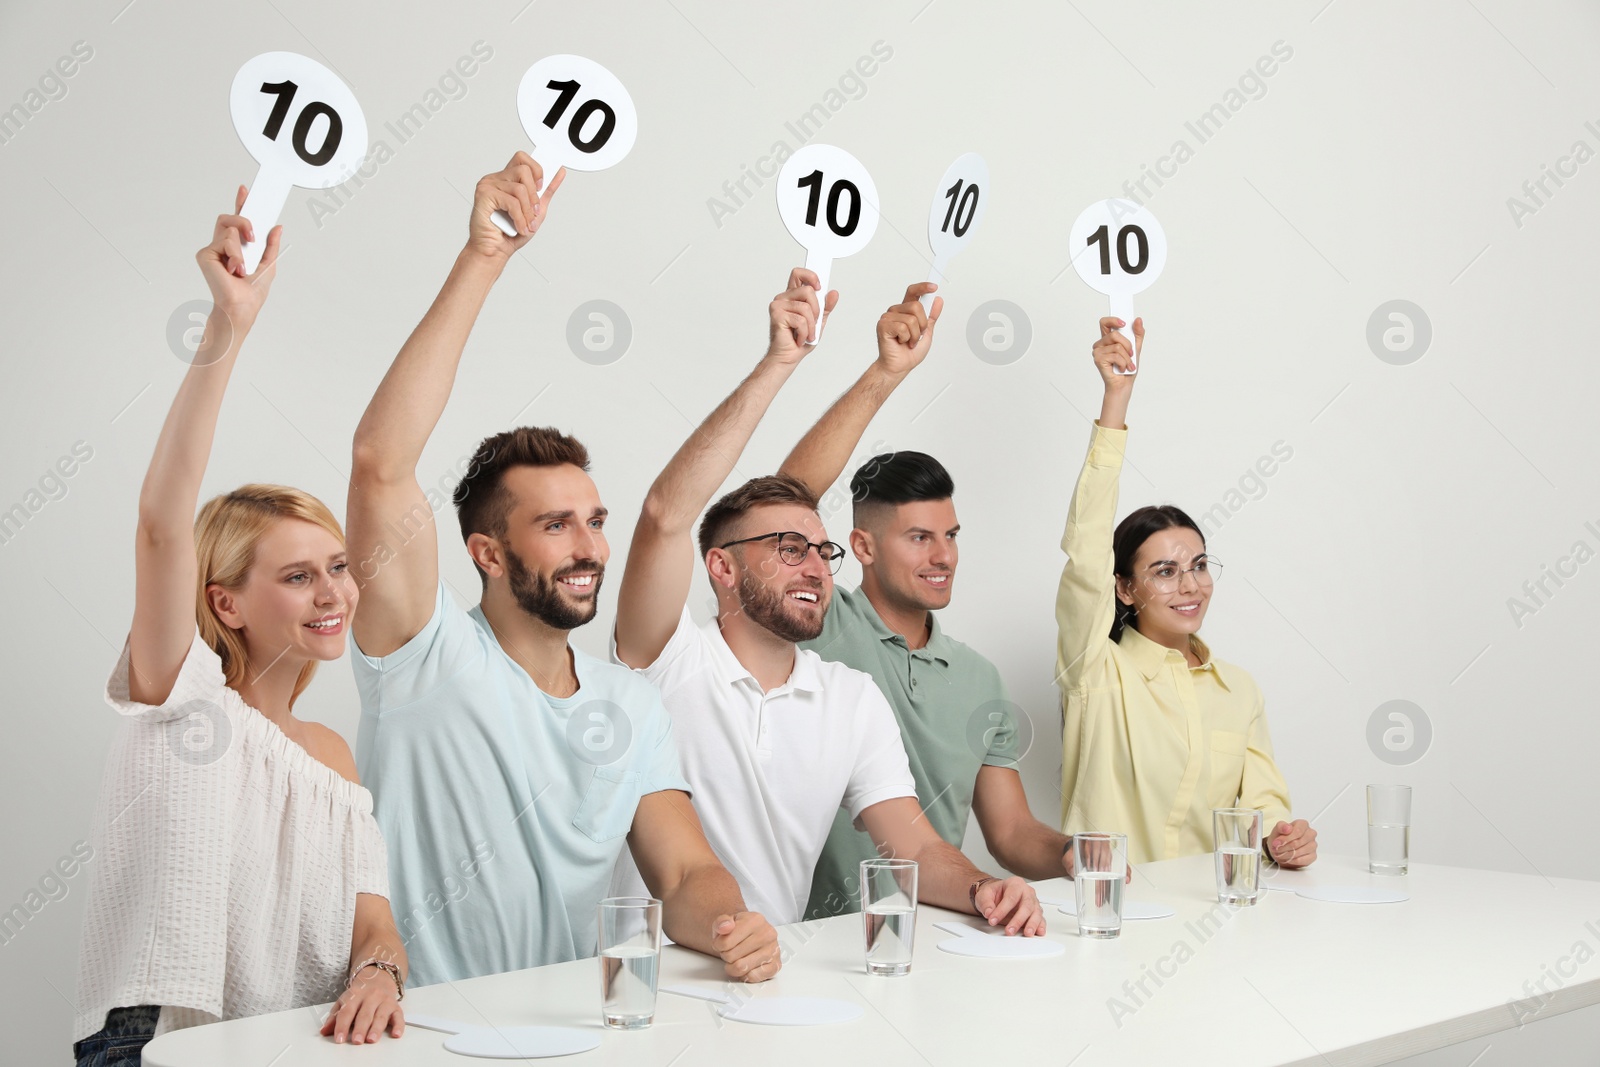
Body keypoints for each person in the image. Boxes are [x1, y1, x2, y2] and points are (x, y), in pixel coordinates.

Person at [347, 154, 779, 989]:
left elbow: (685, 876)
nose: (588, 546)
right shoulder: (420, 657)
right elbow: (379, 463)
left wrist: (730, 924)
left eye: (594, 520)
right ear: (489, 553)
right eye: (554, 525)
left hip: (563, 1035)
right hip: (412, 1033)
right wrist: (485, 258)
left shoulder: (629, 704)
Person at [73, 190, 407, 1065]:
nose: (332, 590)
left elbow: (376, 921)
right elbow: (159, 521)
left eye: (336, 567)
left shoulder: (333, 753)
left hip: (300, 1042)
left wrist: (379, 974)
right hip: (159, 1041)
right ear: (225, 601)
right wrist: (227, 329)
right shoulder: (182, 695)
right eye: (297, 575)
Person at [611, 272, 1046, 936]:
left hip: (771, 982)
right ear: (721, 568)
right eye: (789, 548)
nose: (816, 563)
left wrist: (988, 888)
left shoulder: (852, 697)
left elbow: (919, 850)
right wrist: (781, 361)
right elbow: (666, 514)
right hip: (640, 984)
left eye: (822, 550)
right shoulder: (668, 660)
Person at [777, 283, 1092, 919]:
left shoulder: (979, 678)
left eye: (949, 536)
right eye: (919, 538)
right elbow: (782, 503)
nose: (943, 556)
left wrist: (1071, 854)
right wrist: (886, 373)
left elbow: (1010, 834)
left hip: (937, 936)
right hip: (810, 946)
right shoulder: (814, 624)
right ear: (861, 547)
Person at [1056, 317, 1317, 867]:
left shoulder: (1238, 691)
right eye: (1165, 572)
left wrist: (1284, 839)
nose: (1191, 584)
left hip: (1212, 922)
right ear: (1124, 589)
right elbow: (1086, 552)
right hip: (1110, 915)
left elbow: (1265, 809)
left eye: (1197, 565)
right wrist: (1116, 401)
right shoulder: (1096, 671)